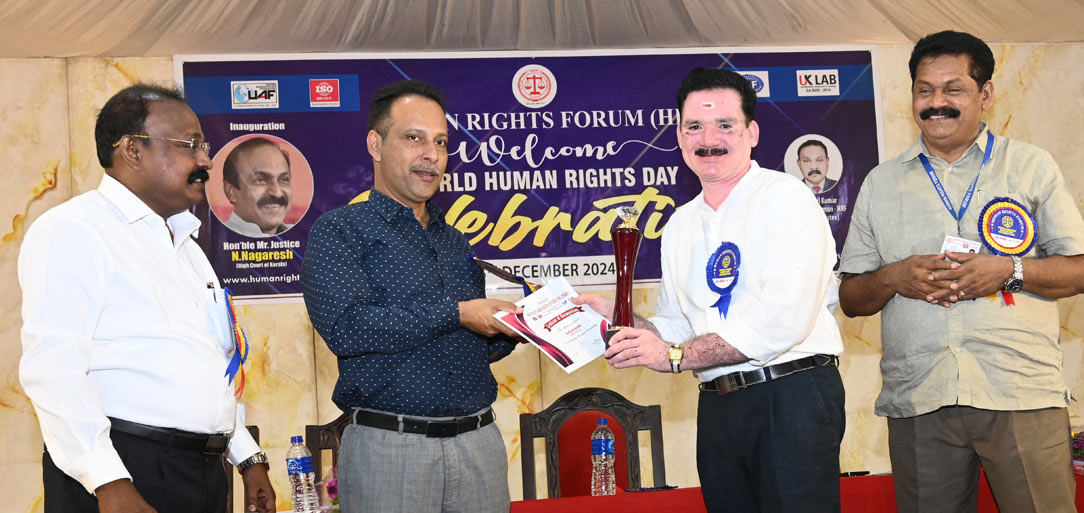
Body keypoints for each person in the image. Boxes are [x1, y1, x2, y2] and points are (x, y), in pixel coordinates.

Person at [575, 68, 845, 513]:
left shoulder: (786, 198)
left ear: (751, 132)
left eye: (724, 124)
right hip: (717, 405)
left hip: (790, 395)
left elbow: (783, 318)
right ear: (680, 137)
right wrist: (623, 321)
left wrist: (676, 357)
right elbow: (679, 324)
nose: (709, 139)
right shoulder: (680, 223)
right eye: (695, 126)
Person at [838, 30, 1084, 513]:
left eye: (953, 89)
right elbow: (851, 298)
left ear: (985, 94)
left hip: (1019, 389)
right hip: (920, 397)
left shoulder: (1030, 166)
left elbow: (1078, 269)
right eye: (924, 90)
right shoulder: (880, 183)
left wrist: (1009, 270)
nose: (937, 103)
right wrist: (893, 277)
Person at [19, 84, 275, 513]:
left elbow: (210, 366)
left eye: (204, 146)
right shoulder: (74, 230)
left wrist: (247, 457)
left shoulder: (187, 247)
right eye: (189, 145)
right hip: (125, 470)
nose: (205, 161)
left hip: (201, 472)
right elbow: (54, 371)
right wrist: (108, 481)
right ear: (133, 151)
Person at [301, 80, 522, 513]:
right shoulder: (340, 231)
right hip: (391, 449)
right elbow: (347, 329)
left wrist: (519, 328)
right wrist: (458, 312)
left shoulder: (454, 240)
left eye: (440, 142)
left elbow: (466, 348)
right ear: (376, 144)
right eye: (414, 138)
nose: (431, 154)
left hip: (480, 445)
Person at [221, 136, 294, 237]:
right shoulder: (217, 239)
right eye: (261, 180)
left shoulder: (305, 238)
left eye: (284, 179)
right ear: (231, 192)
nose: (277, 193)